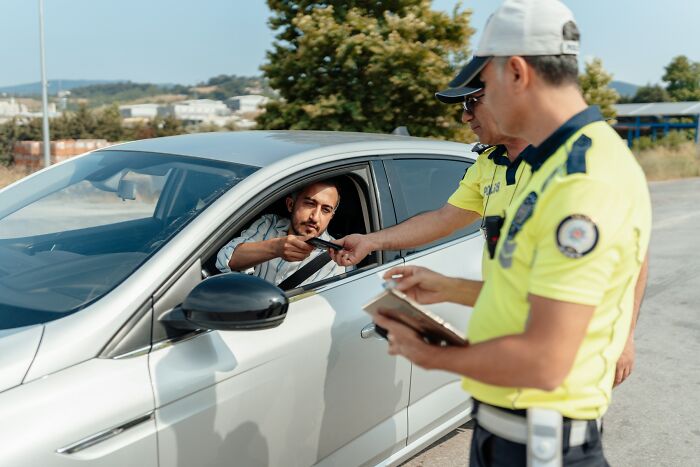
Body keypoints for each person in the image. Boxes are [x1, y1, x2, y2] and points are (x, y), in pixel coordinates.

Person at [372, 1, 652, 465]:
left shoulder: (582, 181)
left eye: (481, 87)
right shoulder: (550, 164)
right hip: (509, 432)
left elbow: (545, 362)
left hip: (542, 444)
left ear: (517, 72)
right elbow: (534, 292)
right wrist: (449, 288)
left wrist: (431, 355)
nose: (472, 108)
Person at [332, 84, 530, 281]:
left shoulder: (557, 162)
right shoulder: (486, 163)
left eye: (472, 103)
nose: (465, 117)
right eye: (464, 107)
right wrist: (369, 241)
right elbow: (443, 220)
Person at [216, 179, 346, 287]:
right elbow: (225, 259)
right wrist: (275, 248)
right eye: (309, 204)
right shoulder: (269, 225)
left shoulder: (336, 259)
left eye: (325, 210)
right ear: (290, 204)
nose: (315, 217)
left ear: (331, 216)